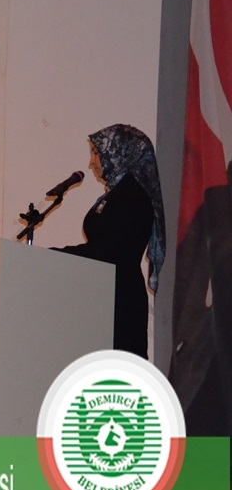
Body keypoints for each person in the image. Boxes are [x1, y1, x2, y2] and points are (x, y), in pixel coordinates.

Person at [54, 124, 166, 359]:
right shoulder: (117, 192)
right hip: (104, 294)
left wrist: (57, 255)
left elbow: (109, 253)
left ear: (120, 152)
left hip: (120, 301)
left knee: (117, 372)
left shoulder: (133, 196)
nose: (91, 162)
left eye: (96, 153)